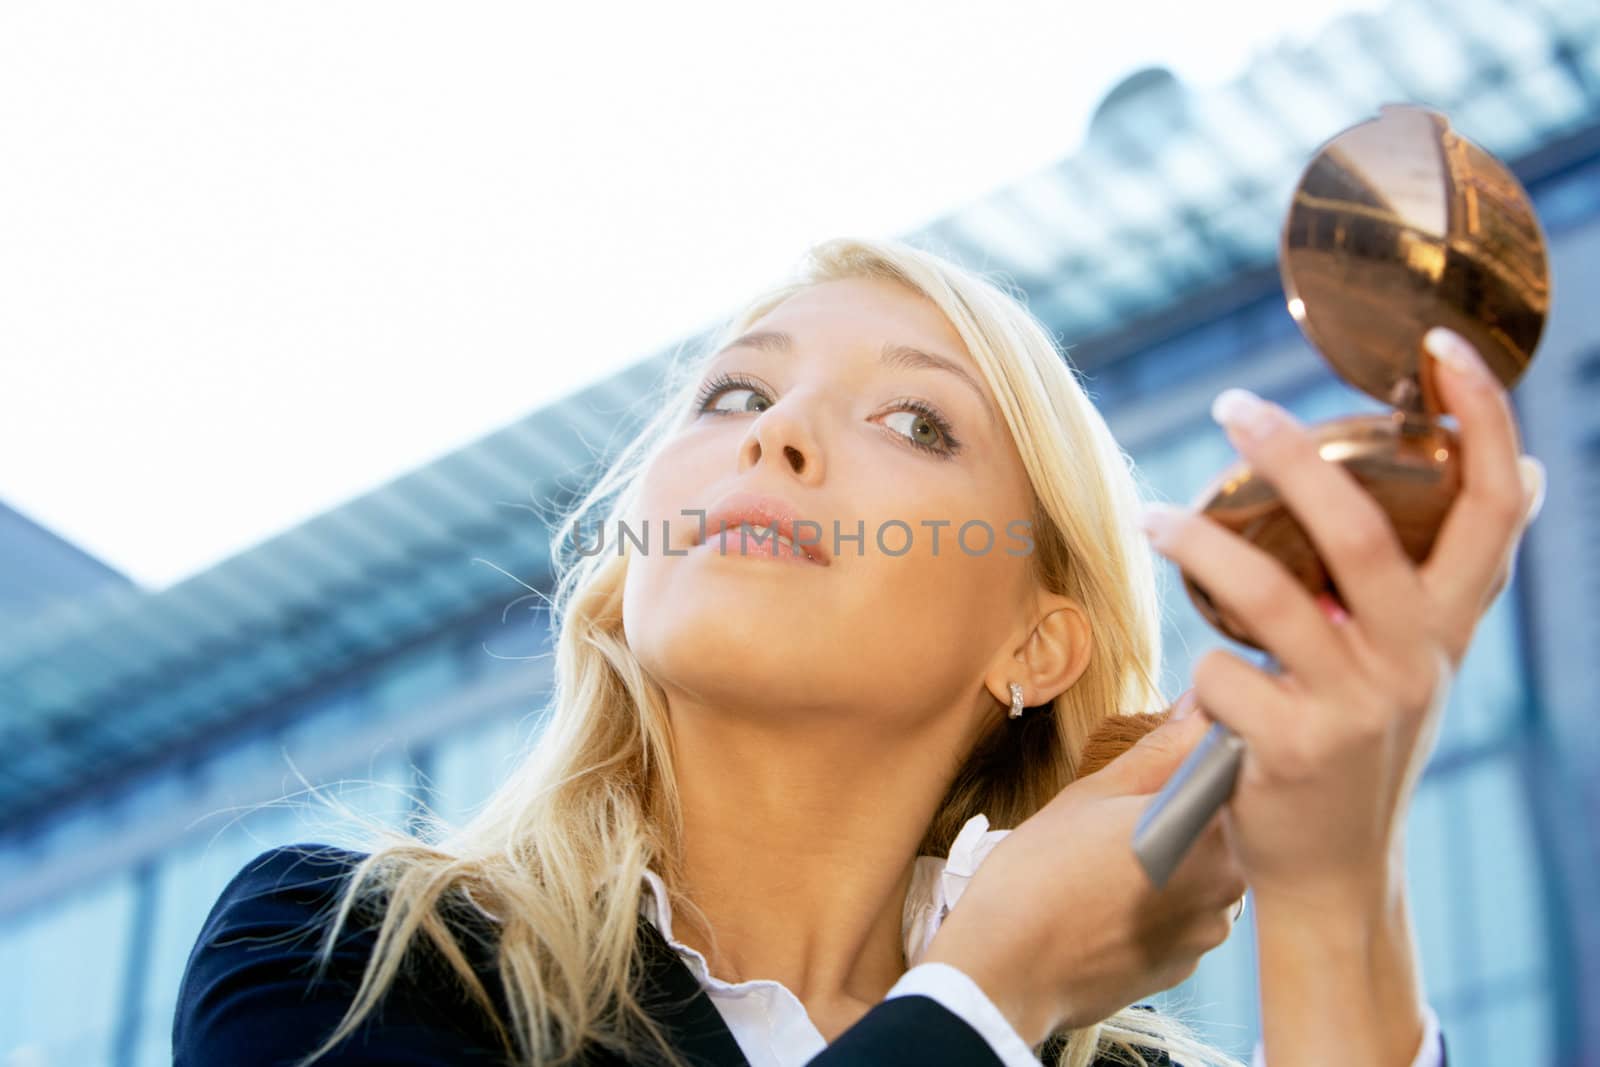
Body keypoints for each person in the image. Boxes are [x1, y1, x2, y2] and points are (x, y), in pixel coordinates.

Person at [174, 236, 1542, 1066]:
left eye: (917, 423)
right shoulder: (351, 957)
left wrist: (1331, 889)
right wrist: (990, 991)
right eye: (738, 394)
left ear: (1040, 641)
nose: (775, 436)